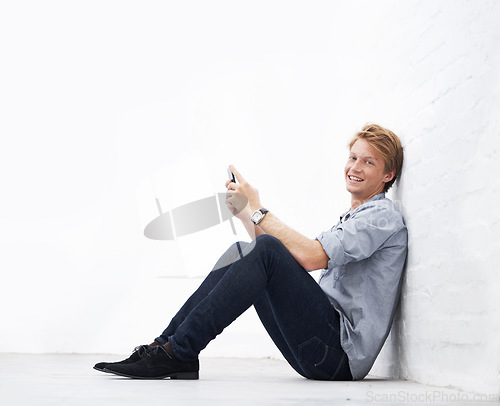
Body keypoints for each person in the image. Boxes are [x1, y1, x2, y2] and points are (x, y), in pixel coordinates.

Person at [94, 123, 408, 381]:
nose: (355, 167)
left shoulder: (382, 218)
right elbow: (280, 258)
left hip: (337, 356)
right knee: (244, 249)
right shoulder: (354, 218)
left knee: (267, 249)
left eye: (369, 162)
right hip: (320, 349)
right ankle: (166, 347)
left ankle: (179, 352)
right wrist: (248, 214)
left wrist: (258, 209)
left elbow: (310, 257)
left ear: (388, 175)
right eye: (353, 157)